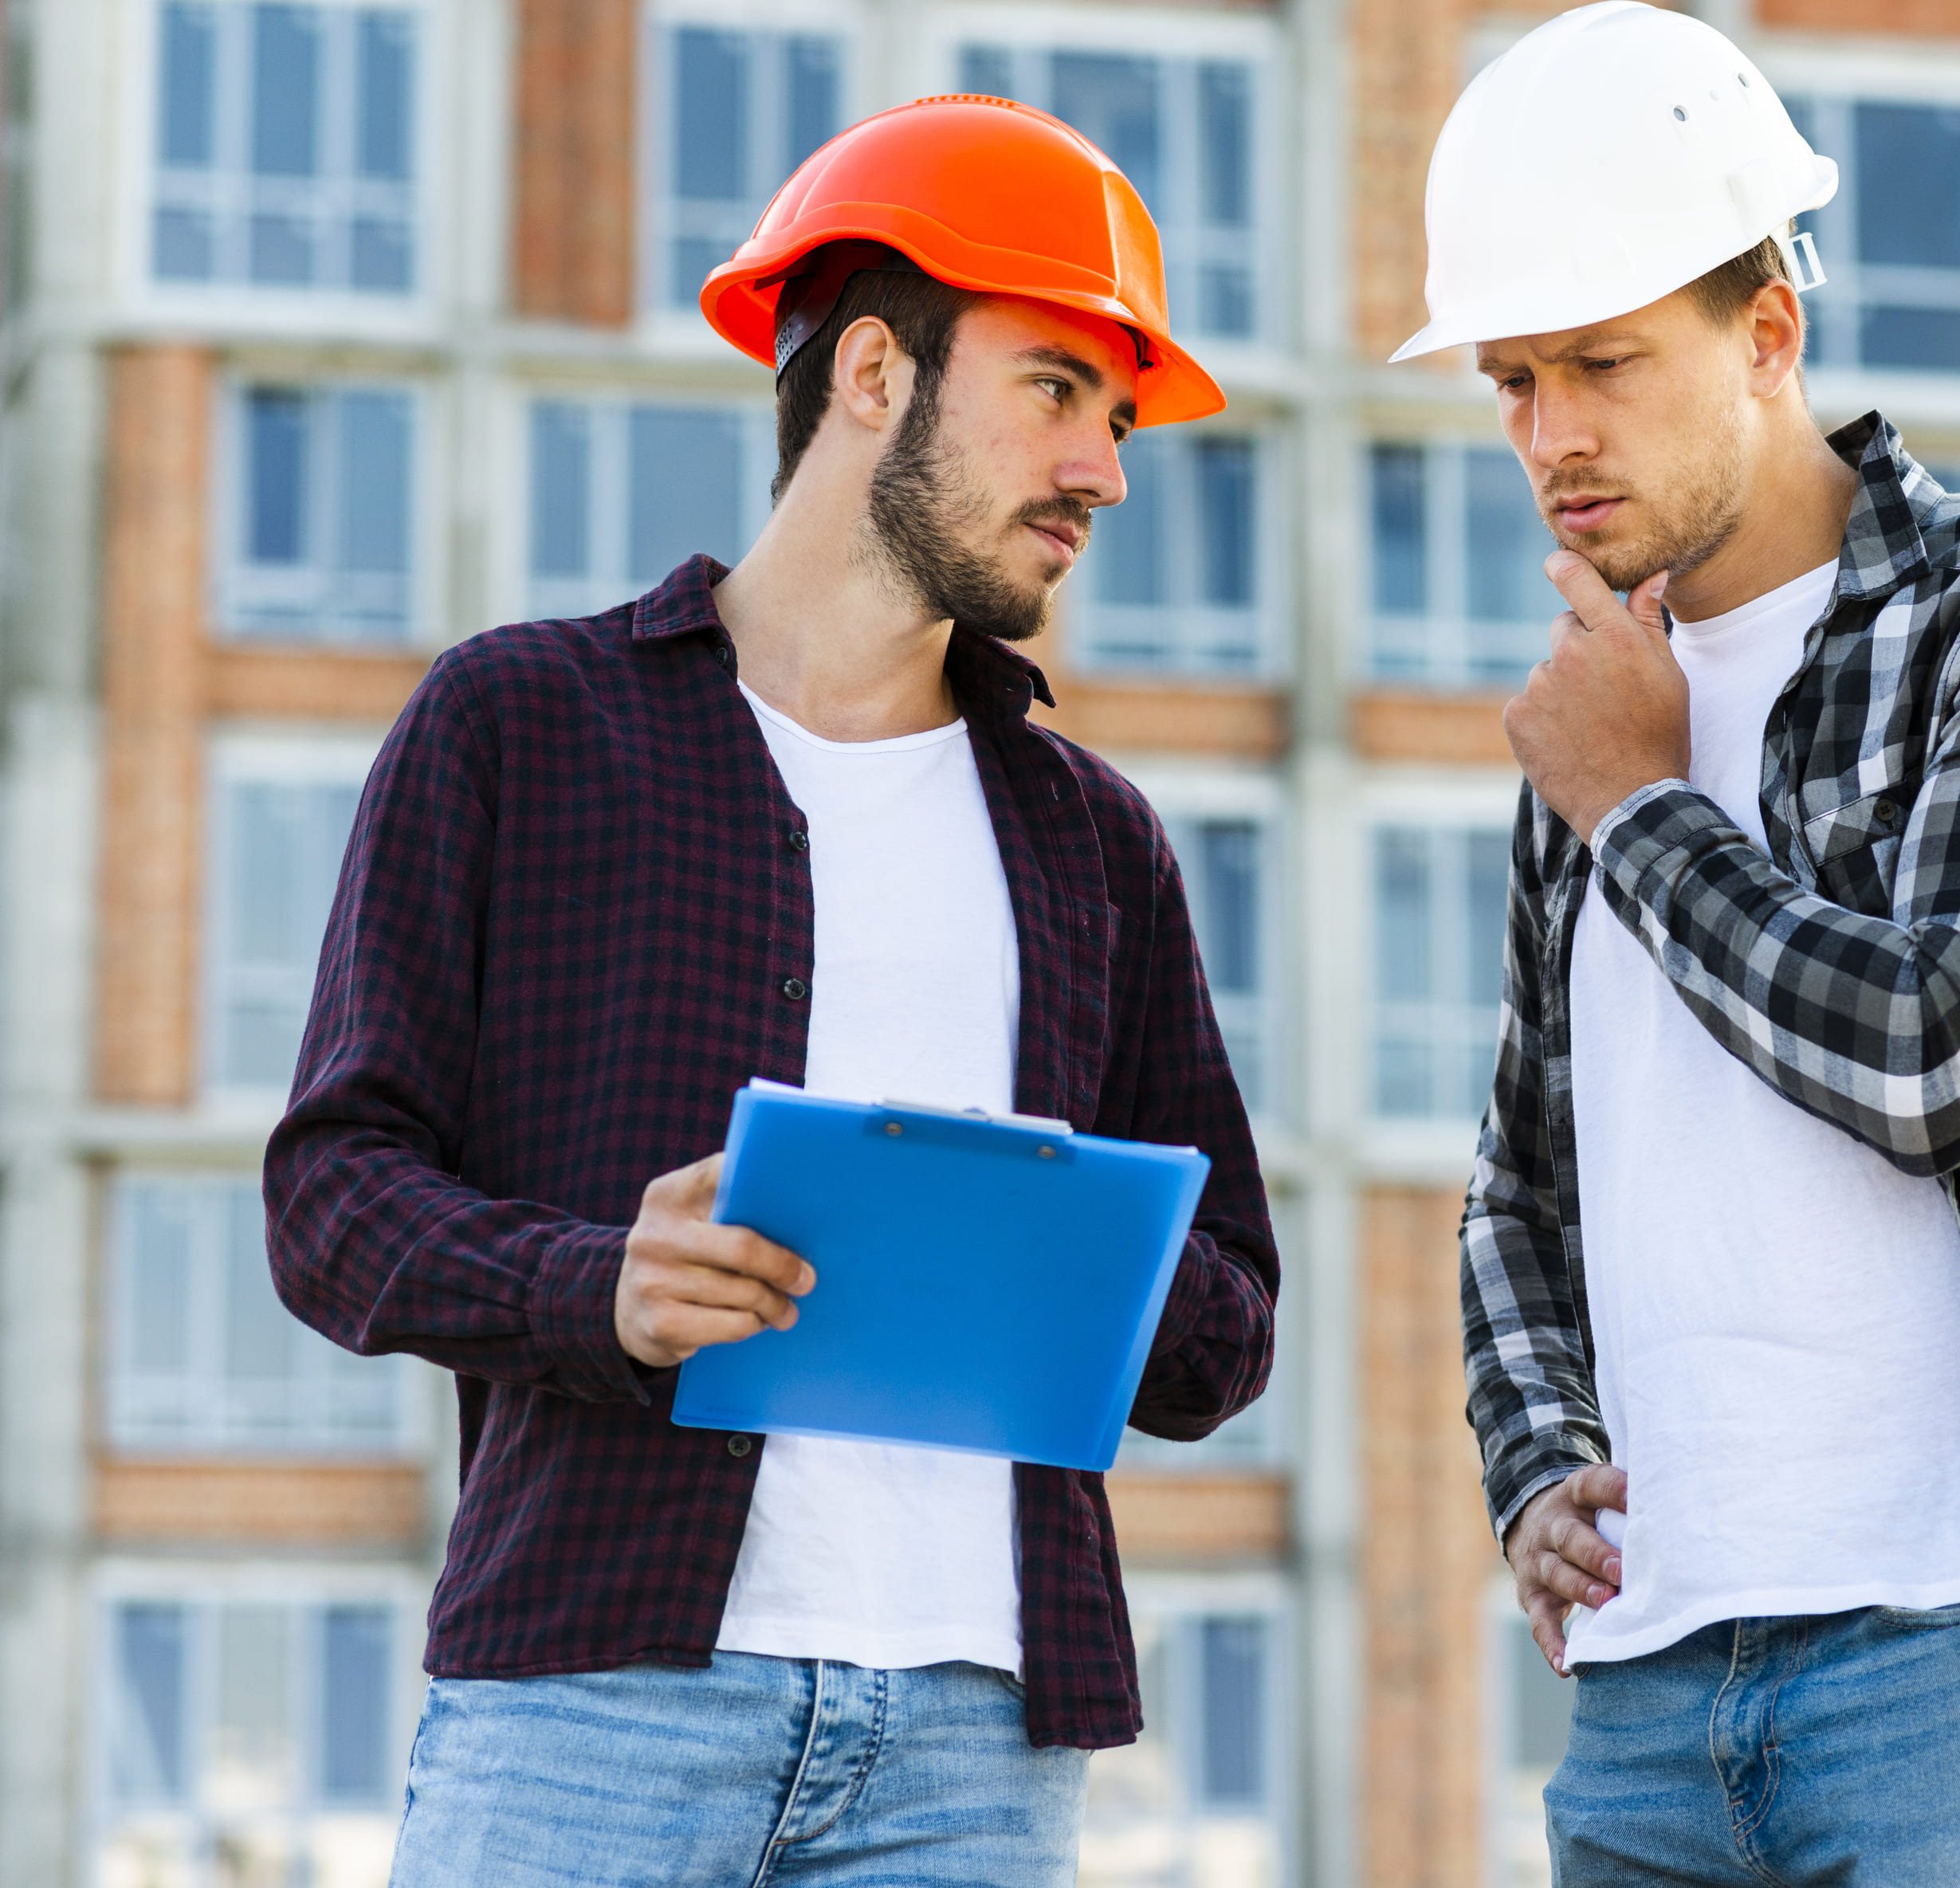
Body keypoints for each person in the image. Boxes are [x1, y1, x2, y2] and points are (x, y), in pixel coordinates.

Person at [262, 97, 1275, 1888]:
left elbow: (1228, 1331)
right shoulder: (520, 727)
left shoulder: (1094, 840)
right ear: (873, 372)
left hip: (976, 1748)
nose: (1103, 472)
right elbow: (330, 1199)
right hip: (593, 1708)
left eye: (1117, 423)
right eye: (1056, 390)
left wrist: (1049, 1249)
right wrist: (596, 1285)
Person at [1402, 7, 1960, 1882]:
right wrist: (1532, 1460)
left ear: (1767, 332)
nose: (1549, 434)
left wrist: (1639, 808)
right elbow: (1520, 1182)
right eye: (1511, 380)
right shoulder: (1595, 719)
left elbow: (1946, 1053)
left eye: (1601, 361)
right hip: (1647, 1711)